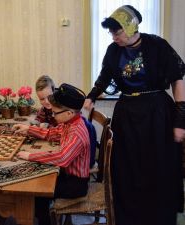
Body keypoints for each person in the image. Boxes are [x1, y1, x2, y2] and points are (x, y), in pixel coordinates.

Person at [83, 5, 185, 225]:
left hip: (156, 114)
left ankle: (158, 217)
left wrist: (180, 119)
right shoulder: (113, 51)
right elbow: (104, 78)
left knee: (157, 167)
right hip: (127, 115)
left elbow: (177, 79)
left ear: (131, 28)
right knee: (127, 168)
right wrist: (91, 97)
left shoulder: (157, 45)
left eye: (117, 32)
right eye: (111, 33)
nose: (114, 37)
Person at [13, 83, 91, 225]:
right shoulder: (69, 123)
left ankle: (44, 220)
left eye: (55, 113)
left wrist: (30, 156)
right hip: (67, 174)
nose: (53, 116)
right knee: (39, 181)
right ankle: (40, 216)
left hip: (76, 184)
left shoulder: (77, 133)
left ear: (69, 113)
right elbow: (51, 133)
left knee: (39, 192)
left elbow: (62, 158)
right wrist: (28, 129)